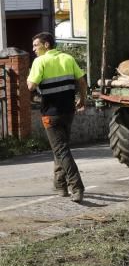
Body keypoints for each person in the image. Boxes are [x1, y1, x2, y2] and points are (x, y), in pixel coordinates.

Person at [26, 32, 87, 203]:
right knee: (60, 148)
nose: (33, 49)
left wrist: (29, 78)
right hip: (68, 111)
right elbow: (81, 81)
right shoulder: (68, 58)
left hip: (51, 114)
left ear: (46, 45)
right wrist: (82, 99)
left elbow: (31, 86)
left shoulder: (40, 61)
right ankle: (60, 185)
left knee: (61, 150)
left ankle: (77, 187)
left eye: (36, 45)